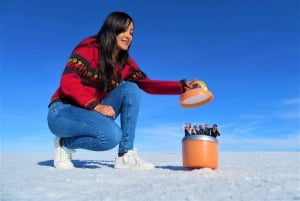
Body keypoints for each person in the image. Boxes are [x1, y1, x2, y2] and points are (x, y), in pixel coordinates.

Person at [47, 11, 197, 170]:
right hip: (63, 112)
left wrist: (180, 87)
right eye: (123, 30)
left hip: (90, 114)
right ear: (112, 29)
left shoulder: (125, 64)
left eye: (131, 32)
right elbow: (68, 82)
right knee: (111, 136)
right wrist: (96, 106)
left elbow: (146, 84)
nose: (128, 36)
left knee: (130, 89)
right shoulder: (90, 47)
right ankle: (64, 145)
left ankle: (125, 155)